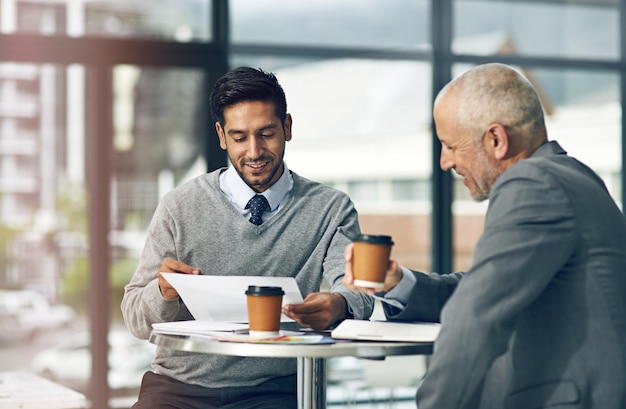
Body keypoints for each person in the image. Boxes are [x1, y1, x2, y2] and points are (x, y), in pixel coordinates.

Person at [343, 63, 626, 409]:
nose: (445, 162)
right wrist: (398, 283)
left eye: (450, 146)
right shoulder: (571, 177)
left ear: (496, 139)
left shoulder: (534, 184)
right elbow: (482, 289)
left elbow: (475, 314)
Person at [122, 66, 374, 409]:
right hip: (177, 389)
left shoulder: (331, 209)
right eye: (239, 137)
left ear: (287, 127)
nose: (254, 151)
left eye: (266, 133)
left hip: (273, 389)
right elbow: (136, 319)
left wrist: (340, 304)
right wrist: (163, 292)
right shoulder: (179, 207)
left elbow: (358, 288)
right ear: (221, 136)